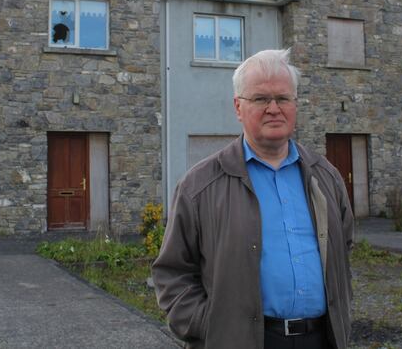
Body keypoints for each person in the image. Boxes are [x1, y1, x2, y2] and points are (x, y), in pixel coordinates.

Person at [152, 49, 354, 349]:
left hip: (323, 338)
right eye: (260, 99)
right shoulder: (200, 186)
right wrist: (212, 326)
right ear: (238, 107)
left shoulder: (325, 177)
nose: (274, 108)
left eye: (283, 98)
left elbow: (343, 249)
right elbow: (172, 273)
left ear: (295, 104)